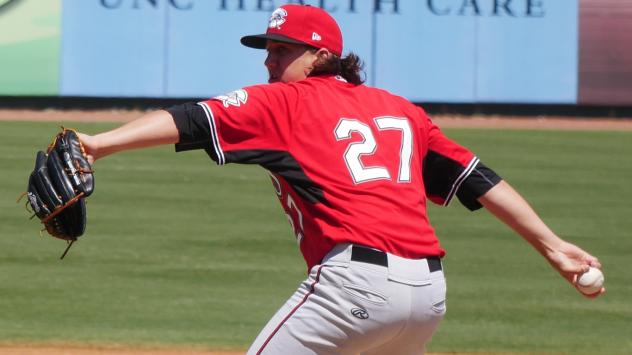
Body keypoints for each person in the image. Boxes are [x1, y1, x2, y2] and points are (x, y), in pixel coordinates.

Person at [76, 4, 604, 354]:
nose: (268, 59)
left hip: (354, 288)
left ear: (321, 56)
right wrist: (553, 246)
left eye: (282, 49)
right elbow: (477, 179)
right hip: (428, 298)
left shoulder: (284, 102)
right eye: (268, 48)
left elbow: (191, 119)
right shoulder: (400, 110)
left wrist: (98, 144)